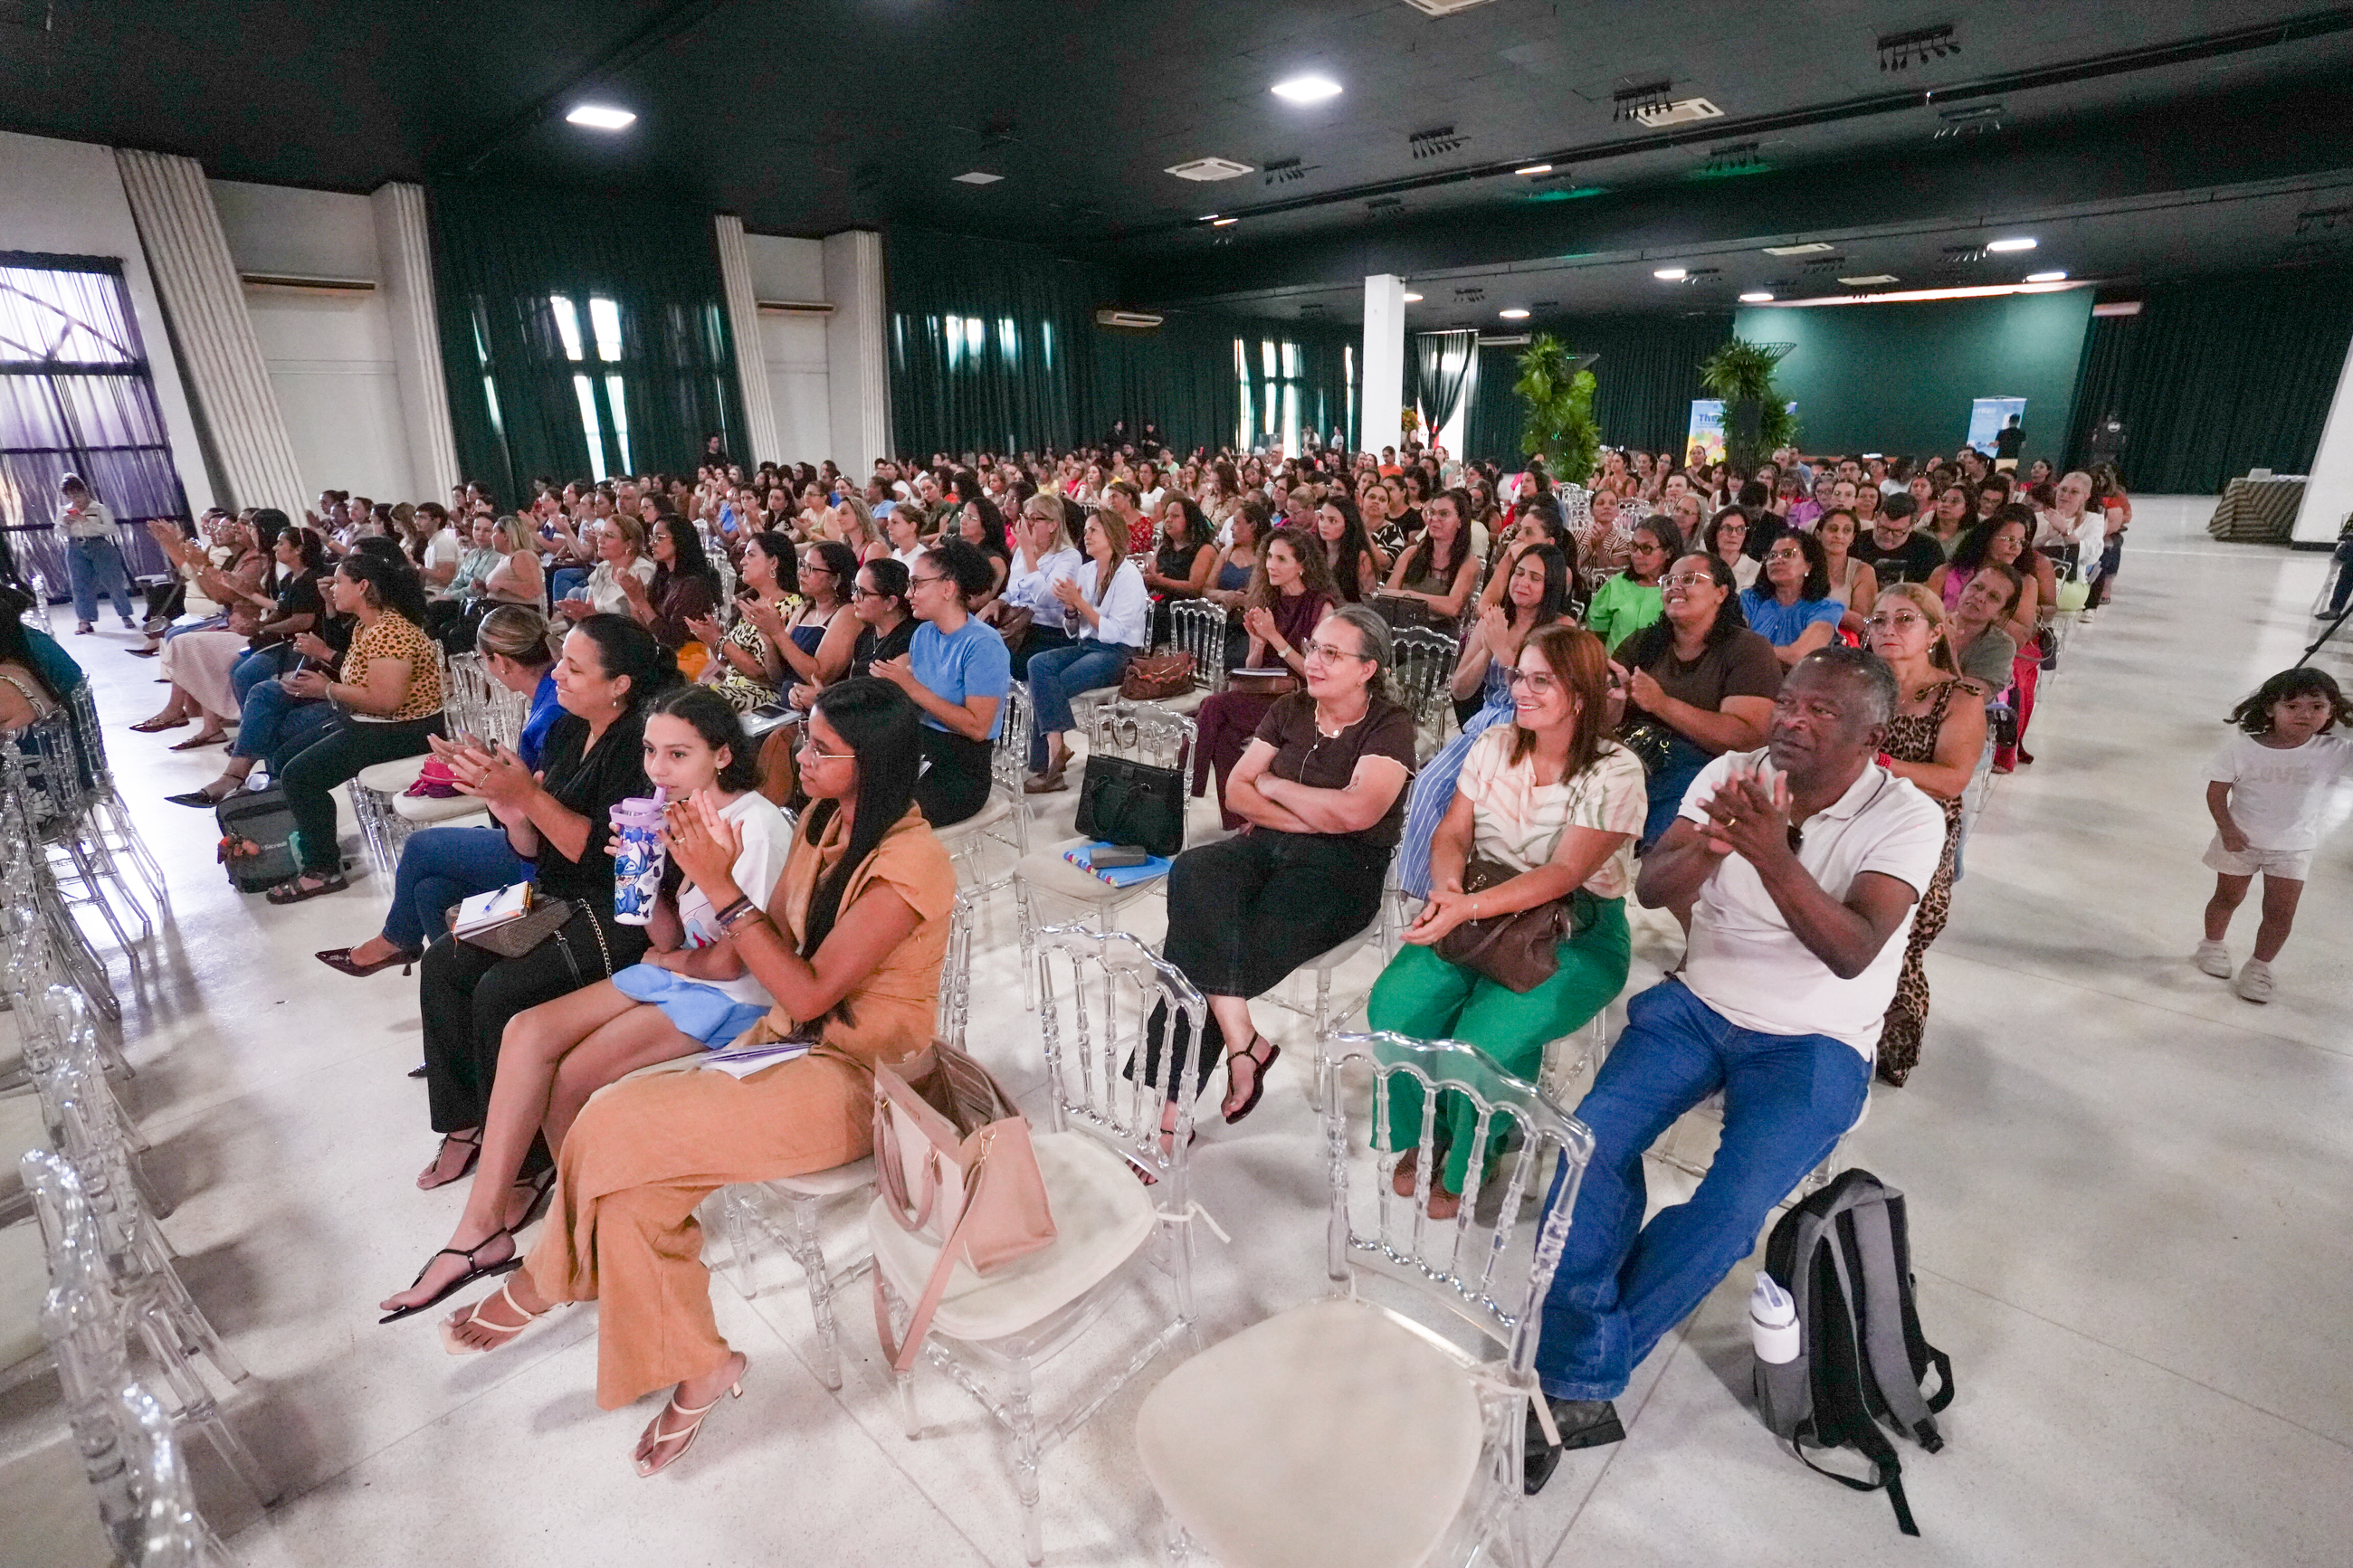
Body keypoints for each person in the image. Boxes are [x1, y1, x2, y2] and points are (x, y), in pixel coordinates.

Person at [433, 681, 954, 1478]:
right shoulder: (825, 820)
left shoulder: (910, 864)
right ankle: (701, 1362)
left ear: (872, 763)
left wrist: (720, 884)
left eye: (821, 749)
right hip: (787, 1043)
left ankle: (546, 1277)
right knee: (627, 1169)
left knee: (613, 1122)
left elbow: (809, 990)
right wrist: (677, 881)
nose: (799, 755)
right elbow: (773, 947)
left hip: (863, 1078)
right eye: (806, 740)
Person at [1523, 648, 1948, 1485]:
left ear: (1872, 736)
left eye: (1821, 711)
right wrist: (1715, 845)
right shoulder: (1731, 771)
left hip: (1817, 1036)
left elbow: (1853, 949)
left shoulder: (1908, 817)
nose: (1791, 720)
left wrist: (1774, 852)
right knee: (1588, 1147)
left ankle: (1569, 1374)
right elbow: (1653, 887)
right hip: (1701, 1004)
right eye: (1787, 701)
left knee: (1728, 1211)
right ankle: (1583, 1374)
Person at [378, 687, 795, 1319]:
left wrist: (665, 958)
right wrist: (643, 880)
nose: (657, 769)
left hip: (735, 996)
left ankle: (583, 1239)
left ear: (722, 755)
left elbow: (736, 961)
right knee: (527, 1030)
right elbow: (668, 936)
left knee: (569, 1076)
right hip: (681, 972)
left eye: (678, 754)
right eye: (651, 751)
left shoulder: (753, 824)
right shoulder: (674, 813)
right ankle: (482, 1227)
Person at [1371, 626, 1641, 1216]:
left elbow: (1566, 872)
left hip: (1574, 929)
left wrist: (1465, 908)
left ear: (1579, 695)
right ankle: (1430, 1129)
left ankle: (1477, 1148)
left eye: (1541, 680)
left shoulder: (1616, 770)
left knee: (1483, 1038)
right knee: (1394, 1007)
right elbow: (1453, 831)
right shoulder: (1495, 742)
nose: (1521, 689)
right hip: (1480, 904)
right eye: (1520, 675)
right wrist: (1448, 887)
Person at [412, 616, 681, 1191]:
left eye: (574, 668)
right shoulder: (567, 729)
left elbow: (608, 859)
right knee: (444, 961)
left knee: (500, 991)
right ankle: (466, 1124)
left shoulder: (642, 747)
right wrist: (509, 809)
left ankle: (525, 1163)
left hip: (619, 913)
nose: (556, 673)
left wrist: (529, 796)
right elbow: (533, 847)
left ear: (619, 685)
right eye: (562, 660)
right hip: (558, 896)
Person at [1141, 605, 1415, 1131]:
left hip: (1343, 869)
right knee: (1193, 871)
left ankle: (1176, 1106)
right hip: (1268, 844)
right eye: (1314, 648)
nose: (1313, 661)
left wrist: (1275, 786)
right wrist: (1312, 816)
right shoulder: (1290, 708)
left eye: (1331, 653)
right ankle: (1243, 1042)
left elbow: (1357, 814)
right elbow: (1237, 791)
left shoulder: (1389, 725)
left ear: (1368, 669)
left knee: (1204, 943)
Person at [257, 550, 448, 903]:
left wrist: (327, 689)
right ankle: (314, 842)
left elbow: (386, 701)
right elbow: (365, 675)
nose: (332, 589)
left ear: (362, 587)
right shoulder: (367, 626)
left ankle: (321, 870)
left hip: (405, 731)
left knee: (300, 776)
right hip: (374, 723)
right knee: (284, 758)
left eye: (339, 582)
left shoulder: (390, 631)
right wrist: (325, 659)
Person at [1861, 586, 1986, 1086]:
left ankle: (1888, 1043)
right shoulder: (1857, 684)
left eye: (1904, 619)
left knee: (1897, 933)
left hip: (1922, 827)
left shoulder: (1959, 698)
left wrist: (1879, 763)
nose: (1887, 629)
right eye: (1878, 620)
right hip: (1854, 814)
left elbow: (1951, 779)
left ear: (1934, 633)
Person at [1397, 546, 1574, 898]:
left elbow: (1549, 691)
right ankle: (1424, 891)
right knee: (1428, 786)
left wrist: (1505, 652)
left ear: (1551, 585)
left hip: (1534, 727)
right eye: (1519, 573)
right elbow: (1460, 689)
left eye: (1535, 578)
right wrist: (1488, 649)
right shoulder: (1493, 621)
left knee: (1499, 809)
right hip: (1486, 723)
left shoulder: (1562, 628)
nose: (1522, 582)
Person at [2195, 668, 2353, 1004]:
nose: (2305, 715)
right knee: (2228, 897)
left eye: (2317, 707)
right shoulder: (2243, 749)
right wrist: (2227, 829)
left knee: (2281, 913)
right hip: (2240, 841)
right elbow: (2216, 792)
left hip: (2294, 847)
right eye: (2292, 706)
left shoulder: (2335, 750)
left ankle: (2259, 966)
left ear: (2331, 711)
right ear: (2270, 708)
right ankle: (2211, 944)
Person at [1613, 553, 1780, 846]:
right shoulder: (1642, 642)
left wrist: (1661, 704)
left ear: (1721, 593)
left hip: (1699, 769)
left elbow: (1747, 739)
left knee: (1655, 840)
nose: (1675, 587)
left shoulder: (1748, 649)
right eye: (1669, 581)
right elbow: (1603, 718)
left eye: (1690, 579)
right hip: (1629, 755)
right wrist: (1612, 700)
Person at [1190, 529, 1339, 826]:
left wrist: (1274, 637)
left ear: (1302, 565)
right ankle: (1243, 820)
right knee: (1224, 735)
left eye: (1281, 559)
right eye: (1269, 556)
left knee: (1213, 705)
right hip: (1265, 692)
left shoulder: (1322, 607)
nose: (1271, 564)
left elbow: (1316, 672)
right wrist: (1258, 645)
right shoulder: (1266, 599)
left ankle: (1181, 784)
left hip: (1302, 699)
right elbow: (1254, 669)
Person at [874, 538, 1008, 828]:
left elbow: (977, 728)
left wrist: (910, 686)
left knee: (880, 815)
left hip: (961, 769)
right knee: (847, 789)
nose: (908, 594)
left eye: (916, 584)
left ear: (948, 589)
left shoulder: (983, 644)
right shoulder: (923, 634)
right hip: (920, 749)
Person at [1020, 512, 1147, 790]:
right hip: (1088, 646)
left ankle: (1049, 766)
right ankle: (1056, 749)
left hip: (1119, 653)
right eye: (1086, 530)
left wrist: (1079, 602)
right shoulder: (1088, 571)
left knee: (1050, 686)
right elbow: (1074, 630)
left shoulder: (1129, 576)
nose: (1086, 536)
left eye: (1093, 531)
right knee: (1038, 664)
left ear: (1111, 535)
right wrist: (1070, 609)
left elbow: (1114, 632)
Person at [688, 531, 797, 713]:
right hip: (730, 686)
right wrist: (712, 640)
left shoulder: (789, 605)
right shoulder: (751, 602)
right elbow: (727, 664)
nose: (743, 561)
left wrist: (719, 640)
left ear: (774, 562)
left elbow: (761, 674)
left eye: (751, 555)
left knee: (692, 702)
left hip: (760, 694)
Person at [994, 496, 1083, 679]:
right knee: (975, 651)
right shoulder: (1022, 551)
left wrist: (1028, 554)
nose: (1028, 524)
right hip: (1015, 626)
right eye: (1026, 518)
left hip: (1047, 631)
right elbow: (1013, 593)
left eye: (1034, 519)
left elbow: (1046, 598)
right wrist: (998, 602)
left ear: (1053, 525)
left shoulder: (1069, 556)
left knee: (1002, 662)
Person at [1740, 530, 1843, 669]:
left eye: (1788, 554)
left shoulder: (1826, 608)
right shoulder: (1752, 599)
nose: (1777, 560)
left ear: (1808, 565)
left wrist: (1747, 652)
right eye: (1772, 556)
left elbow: (1799, 656)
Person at [1381, 488, 1480, 626]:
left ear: (1460, 521)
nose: (1433, 519)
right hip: (1401, 626)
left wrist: (1407, 595)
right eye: (1431, 512)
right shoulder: (1410, 554)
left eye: (1443, 514)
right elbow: (1387, 595)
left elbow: (1452, 607)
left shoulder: (1469, 563)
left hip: (1441, 634)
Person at [54, 474, 136, 633]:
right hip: (75, 547)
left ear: (85, 492)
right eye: (70, 496)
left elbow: (111, 529)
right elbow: (58, 532)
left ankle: (125, 615)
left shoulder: (99, 508)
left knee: (113, 582)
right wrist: (65, 523)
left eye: (77, 495)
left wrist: (88, 522)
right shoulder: (64, 511)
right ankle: (84, 621)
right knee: (79, 585)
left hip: (99, 545)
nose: (75, 499)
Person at [1584, 518, 1677, 652]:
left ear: (1668, 552)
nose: (1637, 555)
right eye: (1634, 546)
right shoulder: (1617, 584)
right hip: (1613, 662)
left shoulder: (1677, 590)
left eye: (1646, 548)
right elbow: (1595, 633)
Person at [1947, 563, 2022, 698]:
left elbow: (1969, 698)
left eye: (1993, 597)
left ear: (2000, 613)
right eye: (1977, 587)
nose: (1979, 597)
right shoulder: (1930, 622)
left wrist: (1948, 650)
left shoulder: (2001, 646)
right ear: (1963, 589)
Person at [842, 558, 916, 682]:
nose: (854, 597)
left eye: (863, 592)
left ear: (891, 602)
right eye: (855, 589)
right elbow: (851, 684)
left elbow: (884, 690)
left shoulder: (908, 639)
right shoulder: (866, 635)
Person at [1812, 508, 1876, 638]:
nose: (1839, 536)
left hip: (1843, 641)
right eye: (1833, 529)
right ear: (1818, 534)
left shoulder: (1863, 571)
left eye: (1846, 530)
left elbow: (1860, 624)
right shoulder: (1801, 566)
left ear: (1852, 537)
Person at [1853, 498, 1946, 586]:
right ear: (1876, 517)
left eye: (1898, 531)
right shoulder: (1856, 541)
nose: (1889, 536)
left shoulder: (1929, 549)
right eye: (1883, 528)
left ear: (1912, 526)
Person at [1312, 494, 1384, 603]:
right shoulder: (1314, 551)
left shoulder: (1361, 558)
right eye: (1321, 518)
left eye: (1332, 521)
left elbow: (1369, 602)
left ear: (1348, 525)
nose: (1323, 525)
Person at [1701, 508, 1758, 592]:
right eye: (1727, 528)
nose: (1733, 534)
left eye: (1741, 529)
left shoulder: (1757, 571)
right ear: (1715, 532)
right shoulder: (1702, 565)